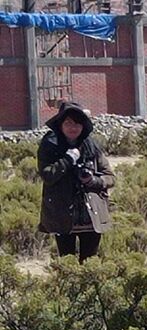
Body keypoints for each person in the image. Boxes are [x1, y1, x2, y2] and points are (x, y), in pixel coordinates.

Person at [38, 101, 113, 260]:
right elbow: (47, 175)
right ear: (60, 125)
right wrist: (67, 160)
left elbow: (110, 177)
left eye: (78, 123)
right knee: (66, 261)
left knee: (90, 261)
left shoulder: (92, 147)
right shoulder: (49, 146)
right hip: (61, 215)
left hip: (91, 215)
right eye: (68, 123)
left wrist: (93, 181)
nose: (73, 127)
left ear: (83, 126)